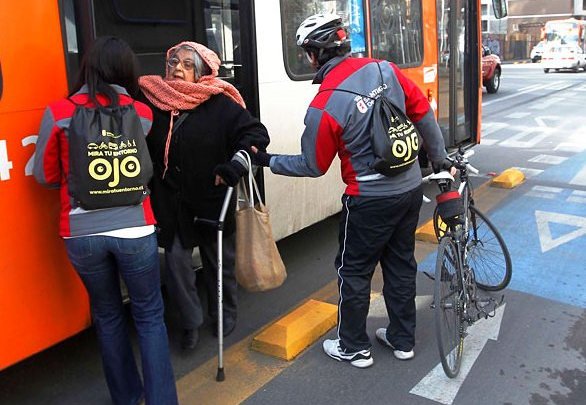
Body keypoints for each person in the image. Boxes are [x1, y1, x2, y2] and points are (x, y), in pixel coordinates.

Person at [252, 14, 453, 368]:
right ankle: (403, 340)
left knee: (355, 272)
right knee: (401, 265)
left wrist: (267, 161)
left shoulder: (325, 104)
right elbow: (423, 113)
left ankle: (354, 346)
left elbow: (312, 165)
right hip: (408, 191)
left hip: (368, 201)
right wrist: (438, 161)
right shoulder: (386, 69)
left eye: (306, 53)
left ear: (315, 54)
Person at [33, 36, 178, 404]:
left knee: (109, 316)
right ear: (125, 70)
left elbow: (45, 176)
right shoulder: (141, 114)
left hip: (81, 234)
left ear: (87, 68)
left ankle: (127, 398)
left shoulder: (58, 112)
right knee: (149, 316)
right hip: (135, 227)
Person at [139, 41, 270, 350]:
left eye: (186, 64)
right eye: (173, 62)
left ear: (202, 73)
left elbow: (255, 134)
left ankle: (224, 313)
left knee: (219, 261)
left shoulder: (220, 103)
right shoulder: (155, 101)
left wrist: (234, 164)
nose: (177, 68)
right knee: (176, 263)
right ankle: (190, 322)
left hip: (212, 196)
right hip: (171, 200)